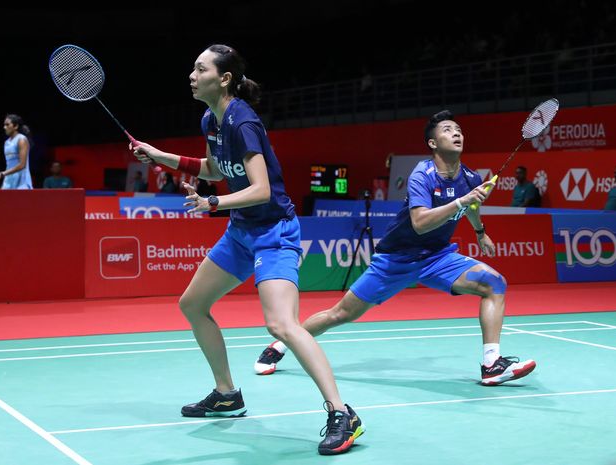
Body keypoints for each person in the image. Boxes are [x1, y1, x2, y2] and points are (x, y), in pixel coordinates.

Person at [131, 44, 363, 455]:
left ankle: (342, 413)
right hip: (241, 231)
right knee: (193, 304)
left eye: (199, 68)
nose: (191, 74)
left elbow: (262, 190)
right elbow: (214, 170)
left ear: (223, 79)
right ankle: (226, 393)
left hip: (274, 232)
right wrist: (158, 155)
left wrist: (213, 203)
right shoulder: (211, 119)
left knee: (282, 326)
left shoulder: (243, 122)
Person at [255, 110, 537, 387]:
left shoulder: (470, 178)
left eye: (458, 129)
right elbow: (420, 223)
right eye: (448, 130)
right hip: (396, 260)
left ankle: (492, 364)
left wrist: (479, 231)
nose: (456, 133)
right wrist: (461, 202)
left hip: (437, 257)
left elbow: (472, 204)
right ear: (433, 143)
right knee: (340, 314)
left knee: (494, 283)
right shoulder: (422, 175)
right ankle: (280, 344)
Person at [0, 114, 33, 189]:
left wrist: (1, 174)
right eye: (4, 125)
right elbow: (9, 165)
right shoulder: (6, 142)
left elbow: (22, 165)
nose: (4, 127)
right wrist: (4, 182)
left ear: (15, 126)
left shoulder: (21, 140)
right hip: (8, 181)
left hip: (22, 181)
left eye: (7, 125)